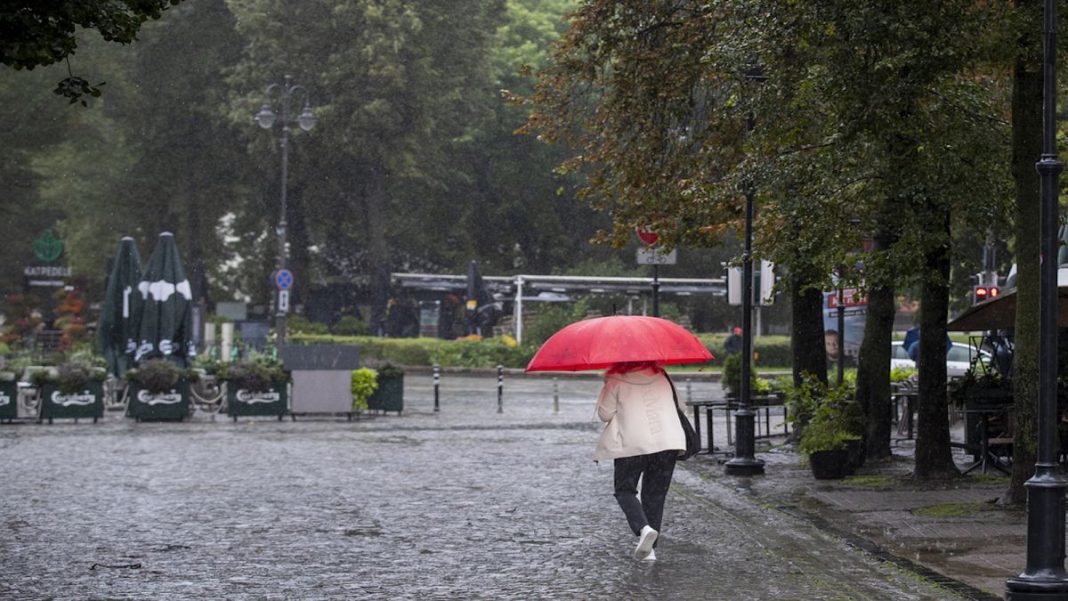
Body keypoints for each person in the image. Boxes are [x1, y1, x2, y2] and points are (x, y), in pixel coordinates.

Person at [594, 361, 687, 561]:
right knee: (654, 496)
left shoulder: (615, 380)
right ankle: (650, 550)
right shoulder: (662, 376)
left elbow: (604, 414)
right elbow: (680, 406)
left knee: (624, 490)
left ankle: (643, 529)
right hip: (667, 443)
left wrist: (607, 388)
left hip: (632, 445)